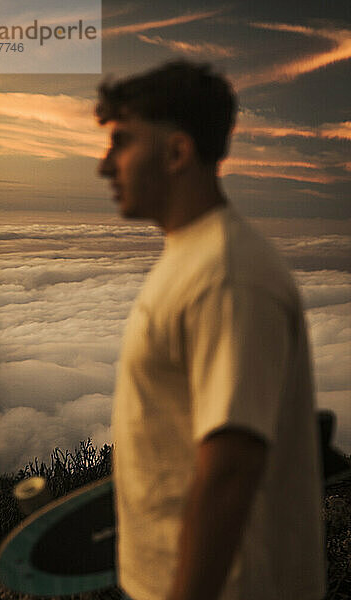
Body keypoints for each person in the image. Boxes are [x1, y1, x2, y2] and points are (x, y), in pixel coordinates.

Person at [96, 61, 326, 600]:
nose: (105, 165)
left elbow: (231, 473)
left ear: (177, 153)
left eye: (122, 143)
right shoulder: (195, 256)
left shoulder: (228, 275)